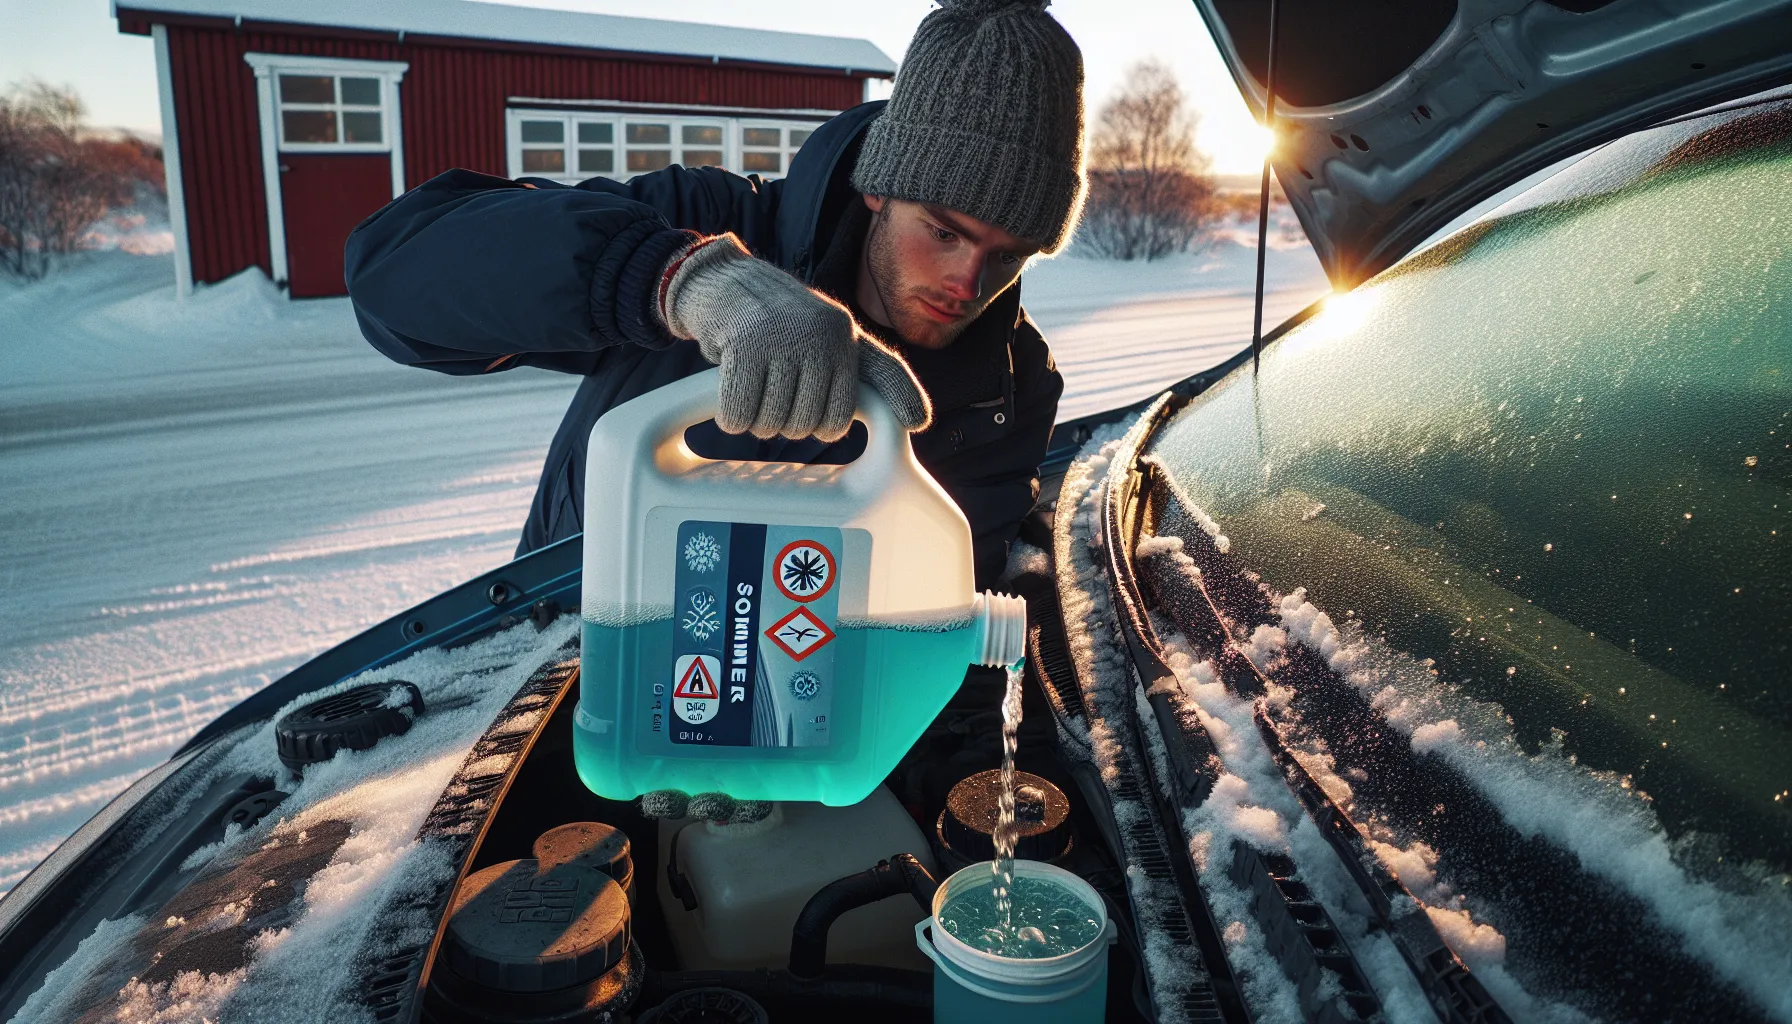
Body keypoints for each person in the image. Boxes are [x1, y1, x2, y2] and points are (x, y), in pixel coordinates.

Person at [346, 0, 1084, 595]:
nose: (969, 284)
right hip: (558, 692)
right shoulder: (708, 225)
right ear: (879, 185)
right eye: (946, 233)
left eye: (1012, 255)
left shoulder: (1013, 391)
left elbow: (940, 617)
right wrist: (674, 280)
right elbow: (393, 274)